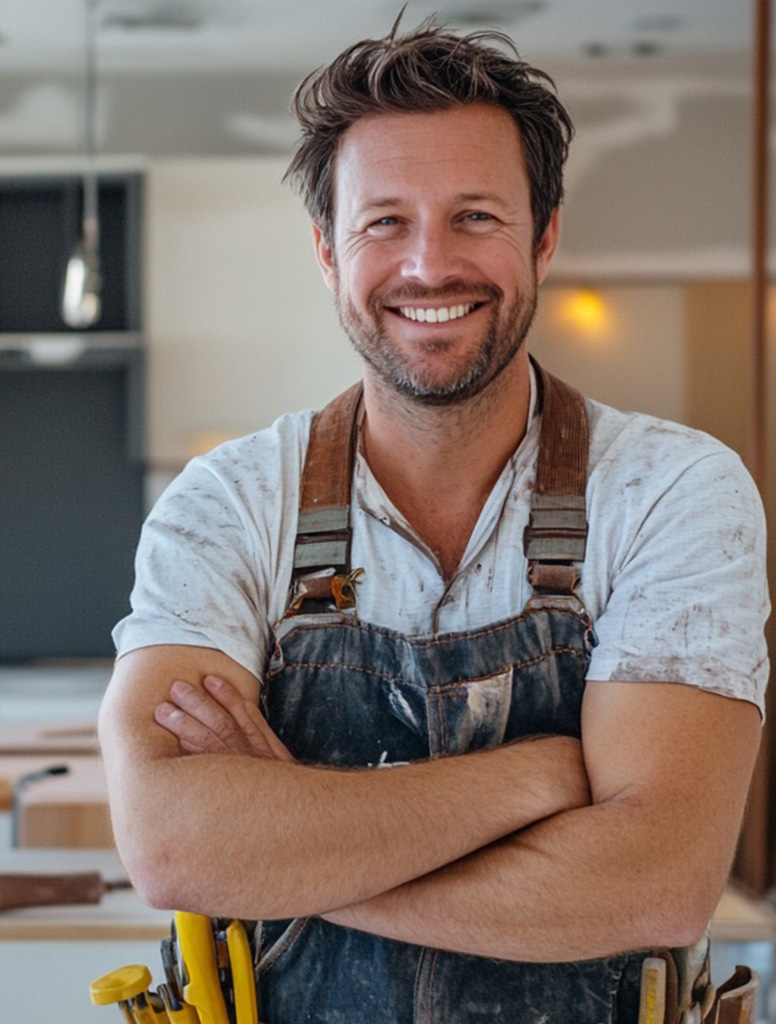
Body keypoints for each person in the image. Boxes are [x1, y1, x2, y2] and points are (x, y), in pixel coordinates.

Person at [98, 14, 769, 1023]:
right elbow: (171, 844)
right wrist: (544, 777)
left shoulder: (673, 492)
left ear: (542, 237)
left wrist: (290, 849)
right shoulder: (229, 503)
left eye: (475, 217)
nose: (428, 265)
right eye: (383, 223)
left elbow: (659, 881)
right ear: (327, 252)